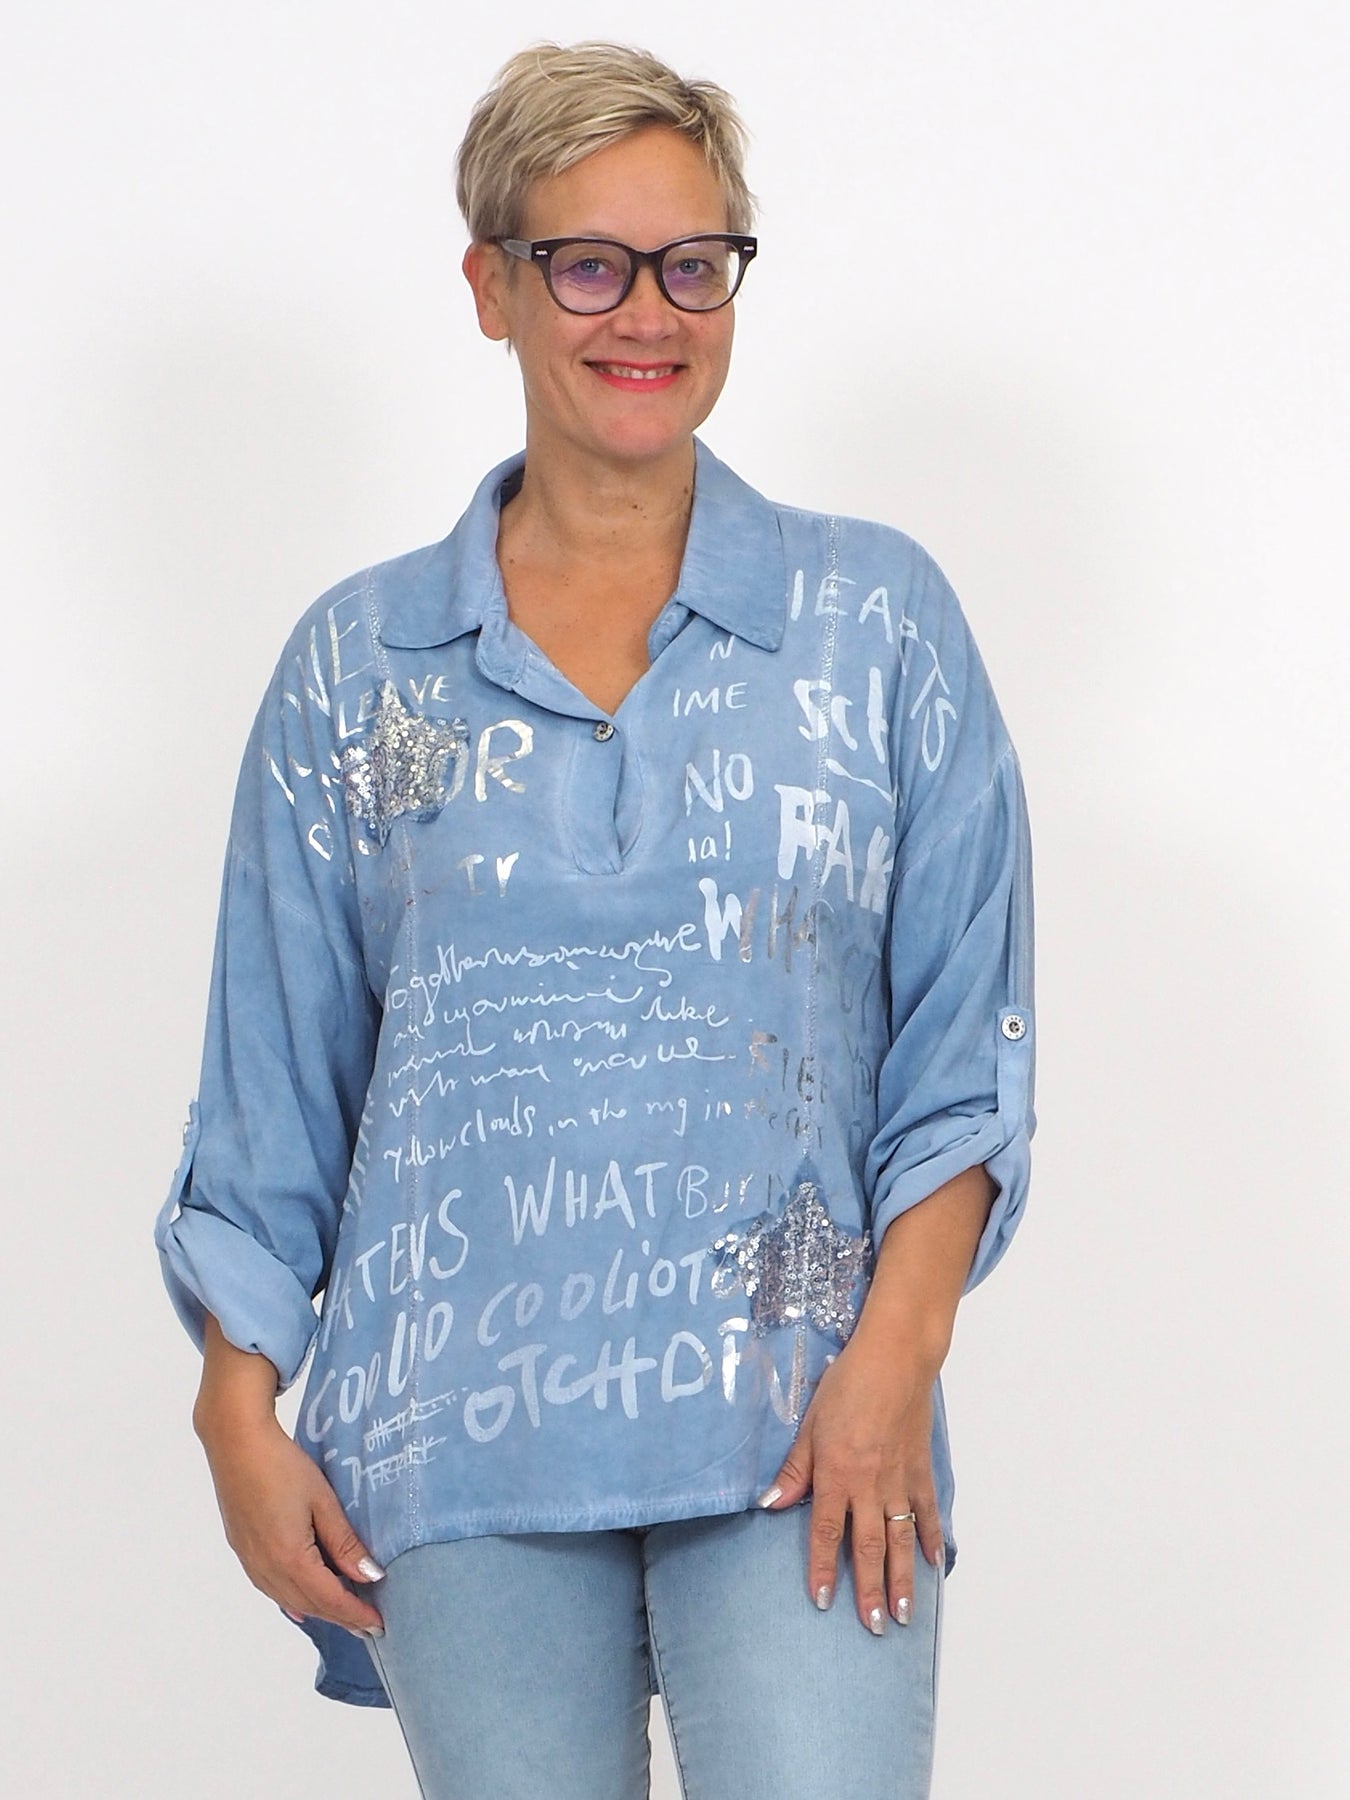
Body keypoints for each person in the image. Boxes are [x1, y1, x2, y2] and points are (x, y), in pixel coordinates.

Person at [156, 40, 1034, 1800]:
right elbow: (277, 1075)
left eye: (692, 263)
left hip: (803, 1420)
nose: (647, 313)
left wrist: (896, 1358)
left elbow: (962, 1043)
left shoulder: (873, 622)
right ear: (490, 287)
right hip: (457, 1443)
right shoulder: (359, 664)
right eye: (587, 264)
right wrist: (234, 1407)